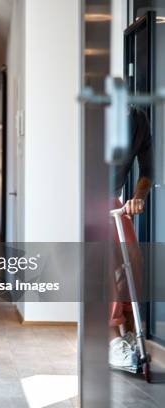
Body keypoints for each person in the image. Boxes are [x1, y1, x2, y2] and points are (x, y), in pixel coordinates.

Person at [108, 106, 152, 371]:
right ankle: (113, 339)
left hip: (111, 199)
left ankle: (128, 333)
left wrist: (138, 198)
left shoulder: (138, 120)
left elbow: (147, 170)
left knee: (133, 261)